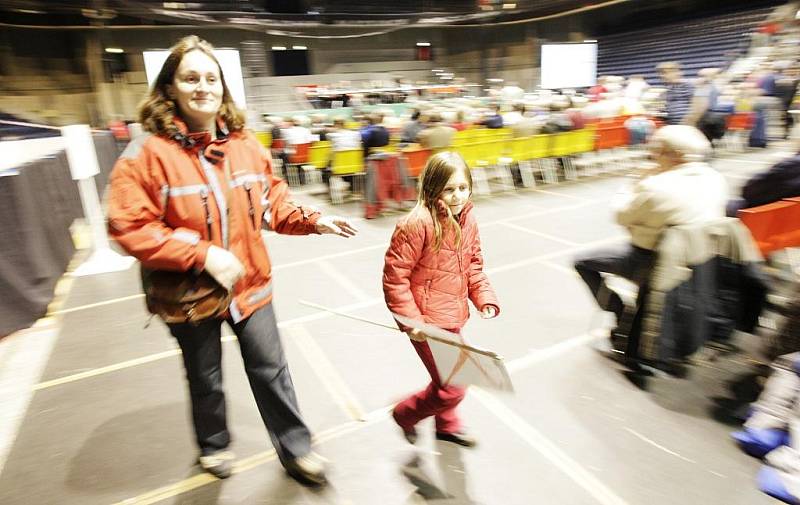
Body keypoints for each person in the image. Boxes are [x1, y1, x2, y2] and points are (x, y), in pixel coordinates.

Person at [106, 35, 358, 487]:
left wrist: (312, 220)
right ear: (170, 88)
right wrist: (201, 254)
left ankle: (297, 449)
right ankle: (214, 445)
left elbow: (270, 202)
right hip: (191, 295)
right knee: (205, 378)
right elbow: (129, 227)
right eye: (190, 78)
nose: (202, 86)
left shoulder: (245, 144)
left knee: (272, 370)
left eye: (210, 77)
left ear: (223, 86)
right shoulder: (145, 156)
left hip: (251, 286)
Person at [383, 151, 500, 448]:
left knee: (447, 379)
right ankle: (404, 414)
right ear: (433, 188)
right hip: (426, 322)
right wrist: (413, 322)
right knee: (455, 386)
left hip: (452, 314)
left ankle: (446, 424)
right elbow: (395, 278)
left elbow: (473, 264)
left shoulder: (468, 219)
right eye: (449, 189)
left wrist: (483, 297)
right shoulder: (415, 224)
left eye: (462, 188)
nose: (457, 196)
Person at [573, 125, 727, 343]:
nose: (653, 156)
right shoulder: (715, 178)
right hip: (699, 259)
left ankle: (620, 313)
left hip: (651, 260)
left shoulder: (657, 186)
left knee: (582, 262)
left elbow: (622, 216)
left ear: (675, 155)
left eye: (657, 151)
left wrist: (634, 183)